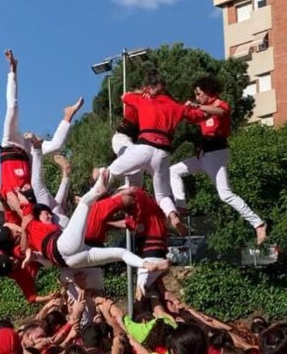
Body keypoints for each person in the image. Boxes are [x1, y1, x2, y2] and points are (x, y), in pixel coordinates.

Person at [97, 71, 207, 235]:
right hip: (163, 154)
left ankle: (92, 200)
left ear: (151, 89)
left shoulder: (144, 100)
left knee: (111, 171)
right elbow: (200, 116)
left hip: (144, 147)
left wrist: (143, 93)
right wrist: (196, 105)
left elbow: (125, 97)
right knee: (162, 195)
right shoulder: (177, 106)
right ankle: (173, 216)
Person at [169, 75, 267, 245]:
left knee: (225, 195)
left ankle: (258, 224)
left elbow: (221, 112)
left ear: (207, 92)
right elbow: (190, 116)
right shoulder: (203, 110)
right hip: (204, 155)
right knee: (174, 170)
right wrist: (178, 109)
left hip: (217, 153)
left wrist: (197, 105)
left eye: (199, 94)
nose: (197, 97)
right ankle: (181, 206)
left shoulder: (220, 105)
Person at [19, 171, 170, 272]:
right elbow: (24, 205)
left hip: (70, 261)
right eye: (47, 215)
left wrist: (32, 257)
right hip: (65, 247)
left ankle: (147, 265)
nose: (51, 217)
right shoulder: (31, 222)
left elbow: (46, 262)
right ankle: (99, 188)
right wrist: (14, 191)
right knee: (85, 202)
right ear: (36, 216)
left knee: (121, 253)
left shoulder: (33, 242)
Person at [0, 49, 83, 219]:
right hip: (27, 152)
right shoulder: (31, 192)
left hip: (10, 144)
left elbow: (7, 198)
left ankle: (12, 70)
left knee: (12, 107)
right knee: (57, 146)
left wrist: (13, 71)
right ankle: (68, 116)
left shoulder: (8, 192)